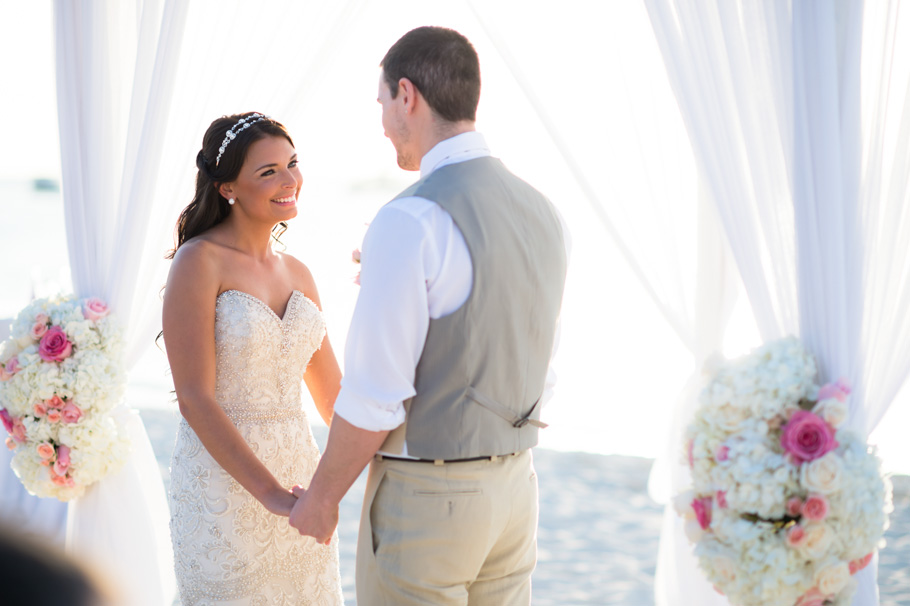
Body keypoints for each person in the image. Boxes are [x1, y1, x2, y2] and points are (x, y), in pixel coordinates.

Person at [288, 26, 568, 606]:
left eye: (383, 103)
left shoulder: (410, 219)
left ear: (407, 95)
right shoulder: (545, 212)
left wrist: (321, 499)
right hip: (517, 489)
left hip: (429, 499)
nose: (384, 122)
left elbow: (374, 394)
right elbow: (537, 355)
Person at [162, 112, 344, 604]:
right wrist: (271, 495)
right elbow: (195, 400)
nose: (290, 181)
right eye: (269, 172)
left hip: (302, 482)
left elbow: (334, 399)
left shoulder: (301, 274)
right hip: (223, 488)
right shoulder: (198, 261)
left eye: (292, 164)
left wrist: (336, 485)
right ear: (227, 188)